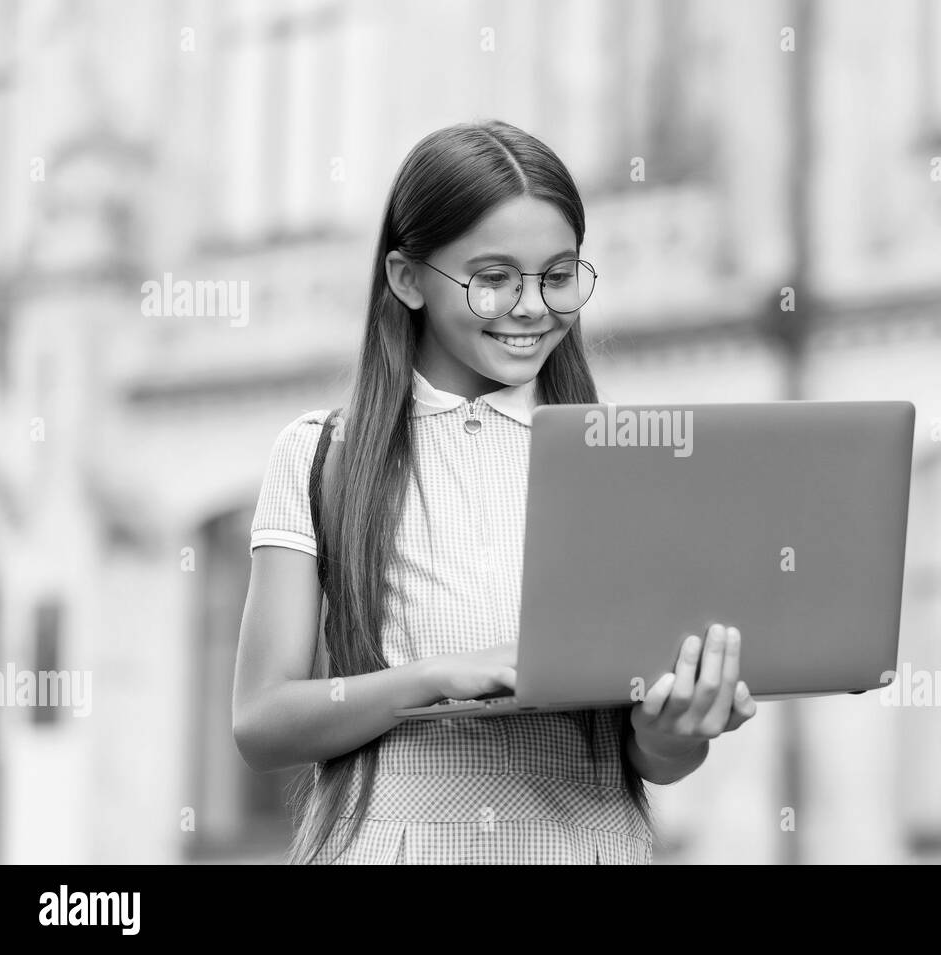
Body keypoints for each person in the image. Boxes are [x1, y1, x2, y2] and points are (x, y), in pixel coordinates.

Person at [232, 120, 757, 864]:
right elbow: (262, 719)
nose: (533, 307)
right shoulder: (321, 453)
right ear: (407, 278)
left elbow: (653, 761)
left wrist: (678, 729)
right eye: (493, 277)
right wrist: (436, 679)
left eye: (558, 275)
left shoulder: (626, 458)